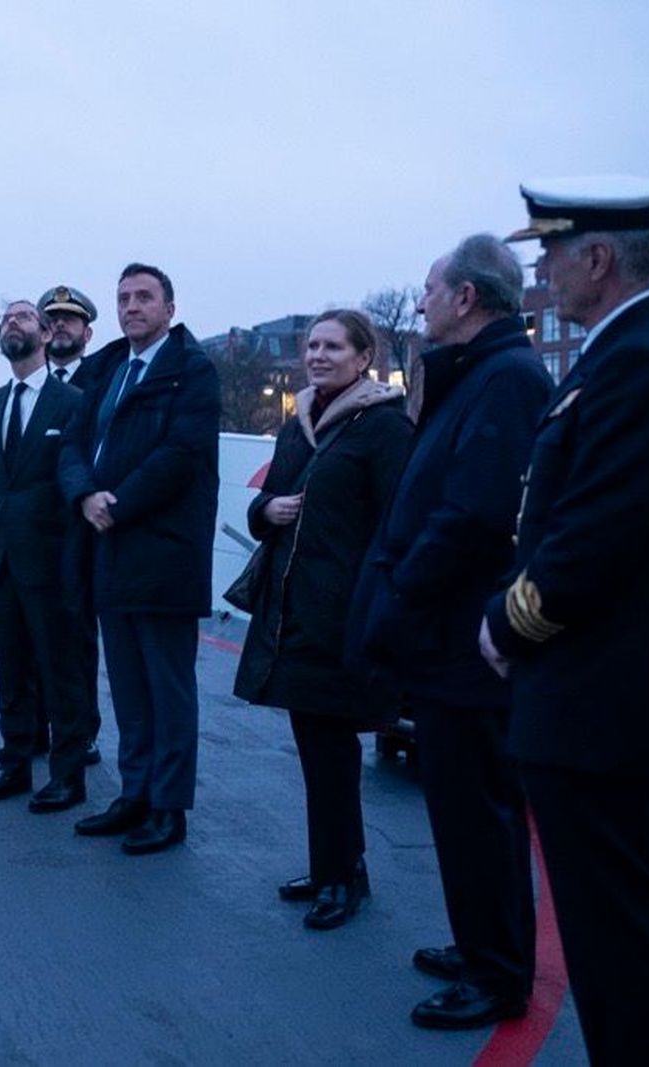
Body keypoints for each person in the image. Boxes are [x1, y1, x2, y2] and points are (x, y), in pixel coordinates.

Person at [479, 176, 649, 1063]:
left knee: (624, 938)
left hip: (600, 701)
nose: (543, 271)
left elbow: (590, 542)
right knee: (615, 932)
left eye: (551, 254)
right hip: (593, 698)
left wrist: (506, 625)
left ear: (600, 259)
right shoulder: (628, 353)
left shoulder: (646, 362)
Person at [349, 236, 550, 1026]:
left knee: (481, 813)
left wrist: (397, 597)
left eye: (431, 289)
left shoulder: (503, 381)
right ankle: (480, 946)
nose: (423, 300)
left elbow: (473, 514)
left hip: (462, 641)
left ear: (466, 297)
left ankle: (499, 975)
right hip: (448, 638)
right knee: (461, 812)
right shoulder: (481, 374)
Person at [232, 310, 411, 925]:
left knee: (333, 749)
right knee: (315, 746)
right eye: (312, 345)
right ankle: (332, 866)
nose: (318, 355)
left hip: (343, 612)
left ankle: (345, 876)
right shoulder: (300, 422)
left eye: (333, 346)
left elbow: (397, 523)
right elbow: (265, 502)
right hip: (294, 609)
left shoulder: (383, 428)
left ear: (364, 358)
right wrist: (267, 511)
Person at [58, 263, 220, 855]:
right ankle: (134, 793)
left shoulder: (191, 372)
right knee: (126, 685)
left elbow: (181, 454)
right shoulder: (108, 370)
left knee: (167, 688)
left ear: (169, 309)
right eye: (123, 298)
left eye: (144, 297)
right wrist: (84, 493)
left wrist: (116, 503)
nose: (131, 307)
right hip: (110, 549)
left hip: (163, 554)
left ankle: (168, 807)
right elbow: (73, 443)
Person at [0, 301, 94, 812]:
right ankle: (15, 761)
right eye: (4, 320)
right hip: (0, 558)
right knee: (11, 669)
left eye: (23, 318)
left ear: (45, 334)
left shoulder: (73, 402)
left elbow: (78, 477)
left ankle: (67, 775)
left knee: (60, 670)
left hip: (52, 561)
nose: (12, 325)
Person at [37, 284, 104, 767]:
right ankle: (40, 725)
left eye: (69, 320)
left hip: (79, 528)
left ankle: (83, 731)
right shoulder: (29, 382)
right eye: (52, 319)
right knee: (31, 637)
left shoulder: (104, 381)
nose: (60, 326)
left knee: (78, 637)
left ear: (87, 331)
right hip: (32, 532)